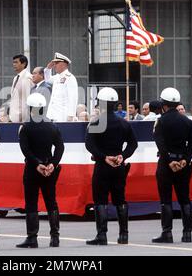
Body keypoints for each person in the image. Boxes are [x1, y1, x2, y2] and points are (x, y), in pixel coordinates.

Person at [85, 88, 138, 245]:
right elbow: (133, 144)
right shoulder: (124, 123)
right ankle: (124, 235)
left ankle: (102, 235)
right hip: (118, 165)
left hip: (102, 166)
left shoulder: (96, 122)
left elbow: (90, 145)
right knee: (120, 199)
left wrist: (103, 157)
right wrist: (123, 156)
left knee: (100, 200)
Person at [16, 93, 65, 248]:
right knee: (51, 201)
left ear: (30, 108)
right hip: (49, 169)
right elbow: (60, 147)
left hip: (32, 168)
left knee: (31, 202)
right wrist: (53, 164)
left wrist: (37, 163)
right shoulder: (52, 126)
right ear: (43, 108)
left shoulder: (25, 127)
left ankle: (32, 238)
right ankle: (55, 237)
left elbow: (25, 150)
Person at [152, 88, 192, 243]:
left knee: (166, 199)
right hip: (183, 164)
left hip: (167, 164)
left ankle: (167, 233)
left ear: (163, 104)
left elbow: (161, 144)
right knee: (184, 198)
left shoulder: (161, 121)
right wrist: (186, 158)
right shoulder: (187, 121)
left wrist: (169, 161)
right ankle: (187, 233)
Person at [44, 52, 78, 122]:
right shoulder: (57, 77)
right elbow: (47, 79)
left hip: (63, 115)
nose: (54, 66)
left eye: (56, 63)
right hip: (52, 114)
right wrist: (48, 68)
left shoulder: (70, 78)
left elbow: (73, 97)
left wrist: (71, 115)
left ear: (63, 64)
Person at [9, 54, 33, 123]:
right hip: (14, 117)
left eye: (16, 62)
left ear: (24, 64)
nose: (14, 64)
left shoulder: (28, 78)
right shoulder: (16, 78)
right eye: (13, 62)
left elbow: (28, 100)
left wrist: (24, 119)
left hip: (22, 119)